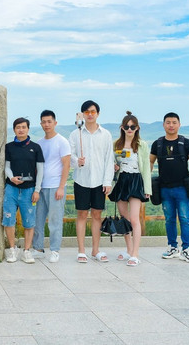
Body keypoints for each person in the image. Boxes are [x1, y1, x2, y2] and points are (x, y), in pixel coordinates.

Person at [150, 112, 189, 263]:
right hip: (164, 188)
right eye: (168, 122)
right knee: (169, 219)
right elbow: (150, 162)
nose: (171, 125)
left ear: (179, 124)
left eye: (174, 122)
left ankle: (186, 249)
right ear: (163, 125)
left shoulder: (185, 143)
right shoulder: (157, 144)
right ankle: (172, 247)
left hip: (182, 189)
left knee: (185, 219)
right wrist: (146, 183)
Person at [68, 100, 114, 263]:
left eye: (93, 111)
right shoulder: (76, 134)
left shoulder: (106, 134)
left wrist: (107, 181)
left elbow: (109, 159)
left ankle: (95, 250)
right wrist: (77, 161)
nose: (90, 114)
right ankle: (81, 251)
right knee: (81, 214)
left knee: (97, 215)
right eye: (86, 112)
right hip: (81, 180)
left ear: (98, 114)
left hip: (99, 181)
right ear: (82, 115)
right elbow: (70, 156)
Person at [109, 111, 151, 266]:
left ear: (137, 128)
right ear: (122, 127)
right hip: (122, 180)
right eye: (127, 126)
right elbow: (112, 163)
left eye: (132, 127)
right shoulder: (116, 144)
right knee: (124, 219)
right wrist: (114, 168)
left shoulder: (142, 145)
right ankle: (129, 249)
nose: (129, 129)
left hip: (136, 180)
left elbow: (146, 167)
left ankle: (135, 254)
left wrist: (147, 189)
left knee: (134, 218)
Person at [3, 117, 44, 264]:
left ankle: (26, 251)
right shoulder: (9, 147)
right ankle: (12, 249)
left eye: (23, 127)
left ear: (28, 129)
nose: (21, 130)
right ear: (14, 129)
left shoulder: (35, 147)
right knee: (8, 219)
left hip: (29, 190)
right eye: (18, 127)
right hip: (11, 188)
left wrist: (37, 190)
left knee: (29, 222)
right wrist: (11, 177)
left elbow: (40, 170)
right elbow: (6, 166)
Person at [32, 110, 71, 263]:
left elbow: (66, 165)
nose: (46, 124)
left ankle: (55, 250)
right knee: (38, 219)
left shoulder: (62, 141)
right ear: (40, 124)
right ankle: (38, 248)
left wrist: (61, 187)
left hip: (56, 187)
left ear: (55, 123)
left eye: (49, 121)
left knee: (55, 221)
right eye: (44, 122)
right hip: (41, 187)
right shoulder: (39, 143)